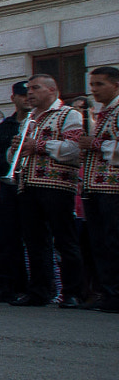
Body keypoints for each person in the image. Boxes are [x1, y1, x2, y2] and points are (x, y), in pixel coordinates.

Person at [8, 74, 85, 307]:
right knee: (34, 240)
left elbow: (74, 149)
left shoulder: (69, 114)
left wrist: (38, 146)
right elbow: (16, 155)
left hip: (57, 184)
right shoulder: (28, 118)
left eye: (35, 88)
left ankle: (73, 292)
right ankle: (39, 290)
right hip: (28, 184)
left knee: (64, 239)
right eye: (28, 89)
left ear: (52, 90)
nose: (29, 93)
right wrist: (15, 150)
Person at [80, 66, 119, 312]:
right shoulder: (103, 112)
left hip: (114, 186)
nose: (93, 89)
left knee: (113, 240)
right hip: (95, 185)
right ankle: (107, 292)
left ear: (116, 84)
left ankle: (115, 294)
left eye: (99, 84)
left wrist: (93, 144)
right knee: (100, 241)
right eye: (92, 84)